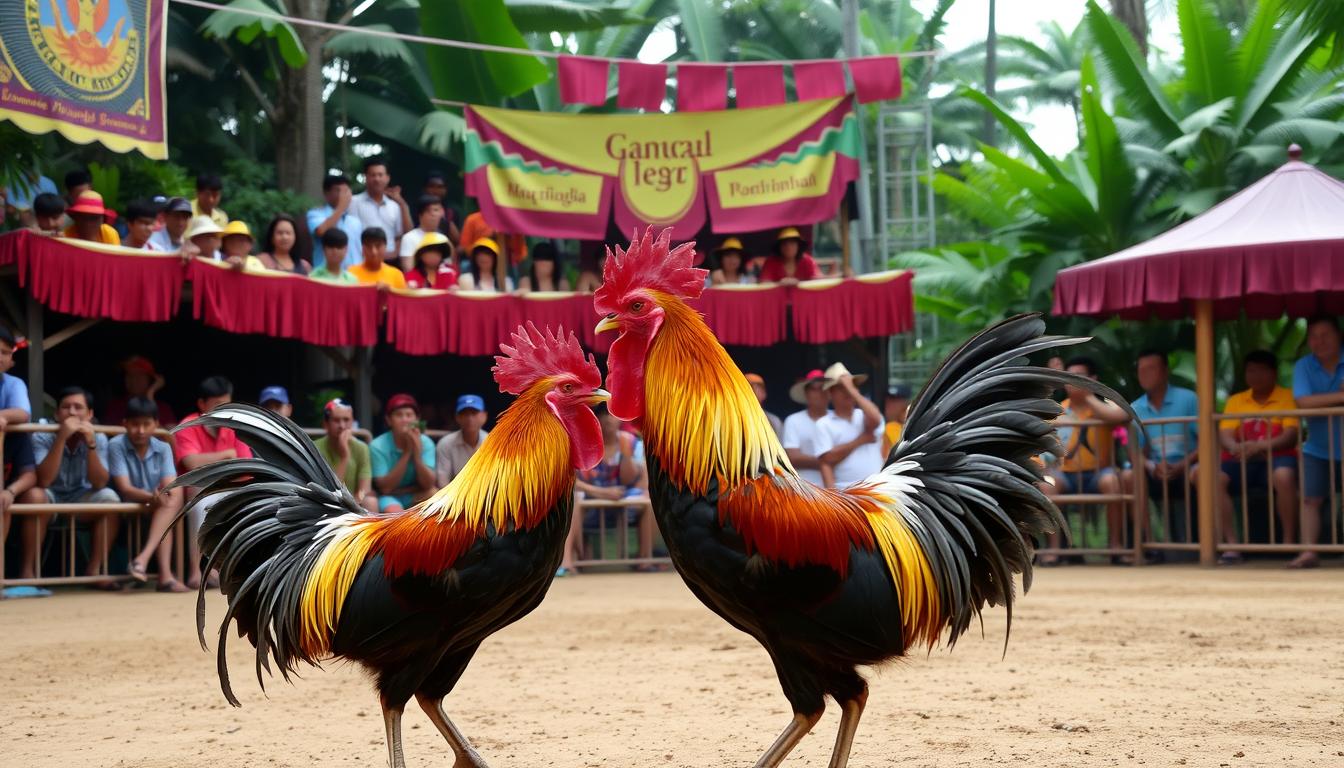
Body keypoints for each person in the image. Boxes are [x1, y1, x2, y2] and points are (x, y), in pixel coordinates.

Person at [17, 387, 121, 585]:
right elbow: (44, 481)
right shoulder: (42, 435)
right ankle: (27, 572)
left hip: (82, 498)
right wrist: (61, 437)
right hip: (51, 496)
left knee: (110, 498)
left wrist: (90, 443)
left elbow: (99, 482)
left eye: (78, 407)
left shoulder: (98, 437)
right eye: (66, 407)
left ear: (90, 414)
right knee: (34, 495)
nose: (72, 412)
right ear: (56, 413)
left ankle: (95, 571)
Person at [1038, 356, 1131, 565]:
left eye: (1079, 377)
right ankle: (1055, 549)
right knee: (1047, 485)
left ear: (1093, 379)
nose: (1074, 382)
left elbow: (1122, 416)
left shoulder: (1105, 404)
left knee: (1112, 482)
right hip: (1065, 474)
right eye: (1069, 377)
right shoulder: (1057, 409)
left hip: (1099, 474)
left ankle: (1115, 545)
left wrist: (1088, 395)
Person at [1218, 350, 1298, 563]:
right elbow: (1225, 434)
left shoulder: (1287, 396)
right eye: (1251, 370)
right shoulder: (1235, 400)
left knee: (1284, 476)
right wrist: (1238, 447)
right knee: (1213, 478)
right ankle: (1232, 545)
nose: (1256, 375)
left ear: (1274, 373)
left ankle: (1289, 543)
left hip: (1277, 457)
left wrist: (1260, 445)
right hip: (1242, 459)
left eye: (1262, 370)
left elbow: (1290, 435)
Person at [176, 376, 254, 589]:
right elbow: (192, 464)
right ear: (202, 405)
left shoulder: (235, 427)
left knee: (251, 503)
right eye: (218, 405)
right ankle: (196, 572)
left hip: (228, 487)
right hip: (197, 492)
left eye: (227, 404)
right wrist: (227, 456)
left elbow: (245, 467)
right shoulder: (188, 425)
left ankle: (241, 570)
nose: (225, 410)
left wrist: (221, 464)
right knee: (201, 502)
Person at [1127, 350, 1201, 549]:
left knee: (1203, 473)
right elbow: (1136, 452)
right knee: (1131, 476)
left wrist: (1182, 465)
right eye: (1141, 370)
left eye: (1151, 369)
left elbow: (1207, 442)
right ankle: (1148, 544)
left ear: (1165, 371)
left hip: (1190, 467)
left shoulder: (1189, 399)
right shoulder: (1135, 407)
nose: (1145, 374)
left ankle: (1212, 541)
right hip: (1156, 471)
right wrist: (1152, 467)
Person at [566, 406, 653, 574]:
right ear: (595, 418)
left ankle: (644, 559)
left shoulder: (632, 442)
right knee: (575, 498)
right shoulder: (581, 443)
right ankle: (567, 561)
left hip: (623, 499)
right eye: (602, 414)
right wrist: (599, 493)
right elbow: (569, 480)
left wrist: (626, 455)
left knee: (646, 500)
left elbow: (634, 480)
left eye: (612, 414)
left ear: (620, 418)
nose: (608, 419)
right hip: (589, 501)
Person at [114, 397, 189, 592]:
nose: (140, 430)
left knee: (174, 496)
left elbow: (170, 484)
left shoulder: (163, 447)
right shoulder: (116, 444)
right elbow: (125, 488)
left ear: (156, 424)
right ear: (125, 424)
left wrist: (158, 496)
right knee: (171, 504)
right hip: (124, 504)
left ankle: (142, 561)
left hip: (155, 504)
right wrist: (151, 496)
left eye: (146, 424)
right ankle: (163, 575)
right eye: (135, 424)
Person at [1290, 314, 1344, 569]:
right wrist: (1340, 396)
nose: (1319, 341)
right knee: (1311, 499)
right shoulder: (1303, 366)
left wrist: (1322, 400)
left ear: (1339, 335)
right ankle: (1309, 552)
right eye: (1313, 336)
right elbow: (1303, 403)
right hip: (1317, 448)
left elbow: (1312, 402)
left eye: (1325, 335)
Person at [817, 363, 884, 489]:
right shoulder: (823, 424)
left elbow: (876, 419)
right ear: (830, 394)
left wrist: (852, 390)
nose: (847, 391)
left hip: (878, 490)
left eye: (852, 385)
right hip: (846, 494)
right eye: (841, 387)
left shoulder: (864, 415)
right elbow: (828, 458)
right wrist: (861, 440)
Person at [370, 394, 437, 513]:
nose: (405, 420)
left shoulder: (426, 443)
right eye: (399, 415)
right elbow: (385, 488)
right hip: (389, 497)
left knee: (435, 495)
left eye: (409, 415)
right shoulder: (377, 445)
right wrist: (407, 453)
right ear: (388, 420)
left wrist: (416, 456)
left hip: (415, 494)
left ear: (417, 419)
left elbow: (428, 484)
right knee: (395, 514)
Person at [314, 398, 377, 514]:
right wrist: (344, 457)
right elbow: (330, 492)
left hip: (355, 503)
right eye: (336, 420)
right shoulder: (316, 448)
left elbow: (365, 489)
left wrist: (354, 504)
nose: (342, 426)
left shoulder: (361, 448)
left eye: (346, 420)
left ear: (352, 422)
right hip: (325, 504)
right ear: (326, 424)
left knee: (371, 501)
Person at [0, 411, 39, 595]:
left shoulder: (17, 434)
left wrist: (11, 491)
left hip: (6, 499)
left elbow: (30, 475)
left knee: (4, 503)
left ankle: (24, 573)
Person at [781, 369, 831, 486]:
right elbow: (793, 458)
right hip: (805, 490)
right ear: (806, 393)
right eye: (816, 389)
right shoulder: (793, 421)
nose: (821, 392)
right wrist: (832, 461)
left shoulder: (837, 418)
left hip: (837, 489)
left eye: (824, 388)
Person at [350, 156, 412, 250]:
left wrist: (403, 204)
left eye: (380, 175)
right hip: (363, 259)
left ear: (387, 178)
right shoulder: (354, 202)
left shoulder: (394, 206)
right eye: (373, 175)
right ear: (365, 177)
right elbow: (351, 234)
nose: (377, 179)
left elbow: (404, 234)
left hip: (391, 260)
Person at [307, 173, 363, 270]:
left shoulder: (355, 221)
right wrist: (341, 207)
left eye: (346, 191)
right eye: (338, 190)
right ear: (326, 193)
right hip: (326, 277)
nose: (343, 195)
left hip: (354, 278)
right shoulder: (316, 214)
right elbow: (321, 231)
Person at [102, 355, 174, 426]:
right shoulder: (115, 405)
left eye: (139, 375)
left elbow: (170, 433)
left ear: (149, 379)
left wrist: (150, 395)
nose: (133, 380)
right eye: (129, 375)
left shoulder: (164, 408)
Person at [435, 394, 489, 486]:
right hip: (454, 494)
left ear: (484, 416)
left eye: (474, 413)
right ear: (457, 417)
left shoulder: (492, 443)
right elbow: (442, 482)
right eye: (464, 414)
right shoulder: (446, 443)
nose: (470, 418)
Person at [458, 209, 525, 266]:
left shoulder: (513, 221)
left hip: (506, 265)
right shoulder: (473, 219)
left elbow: (519, 255)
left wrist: (509, 237)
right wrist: (488, 240)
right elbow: (464, 248)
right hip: (477, 265)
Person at [398, 193, 446, 271]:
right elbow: (408, 268)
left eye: (437, 210)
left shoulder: (443, 238)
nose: (435, 214)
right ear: (421, 214)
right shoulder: (409, 238)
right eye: (430, 211)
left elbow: (448, 267)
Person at [422, 171, 460, 245]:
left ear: (446, 190)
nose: (435, 190)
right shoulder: (418, 208)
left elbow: (457, 240)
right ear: (425, 188)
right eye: (431, 186)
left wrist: (445, 219)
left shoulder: (452, 211)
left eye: (440, 187)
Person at [744, 373, 783, 438]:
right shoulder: (729, 418)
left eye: (760, 387)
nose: (755, 390)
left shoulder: (774, 420)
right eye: (750, 387)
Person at [881, 384, 912, 456]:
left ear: (906, 403)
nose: (889, 404)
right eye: (889, 399)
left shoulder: (912, 427)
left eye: (895, 400)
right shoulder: (886, 427)